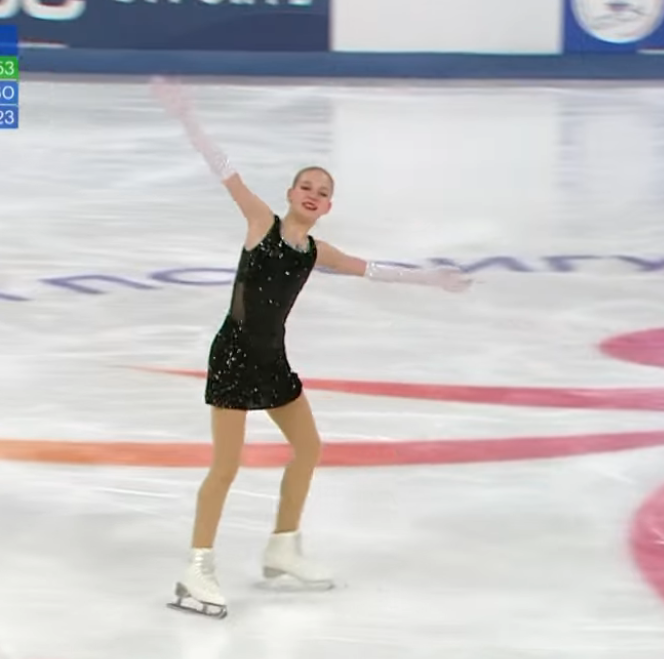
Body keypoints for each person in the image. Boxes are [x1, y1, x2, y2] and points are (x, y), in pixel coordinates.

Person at [152, 77, 472, 618]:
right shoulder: (262, 223)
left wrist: (432, 279)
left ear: (327, 207)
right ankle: (197, 568)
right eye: (306, 185)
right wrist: (187, 115)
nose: (313, 194)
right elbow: (224, 168)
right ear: (290, 192)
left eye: (322, 192)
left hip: (272, 360)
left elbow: (373, 270)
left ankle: (283, 548)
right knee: (226, 467)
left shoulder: (317, 251)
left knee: (309, 448)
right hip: (233, 356)